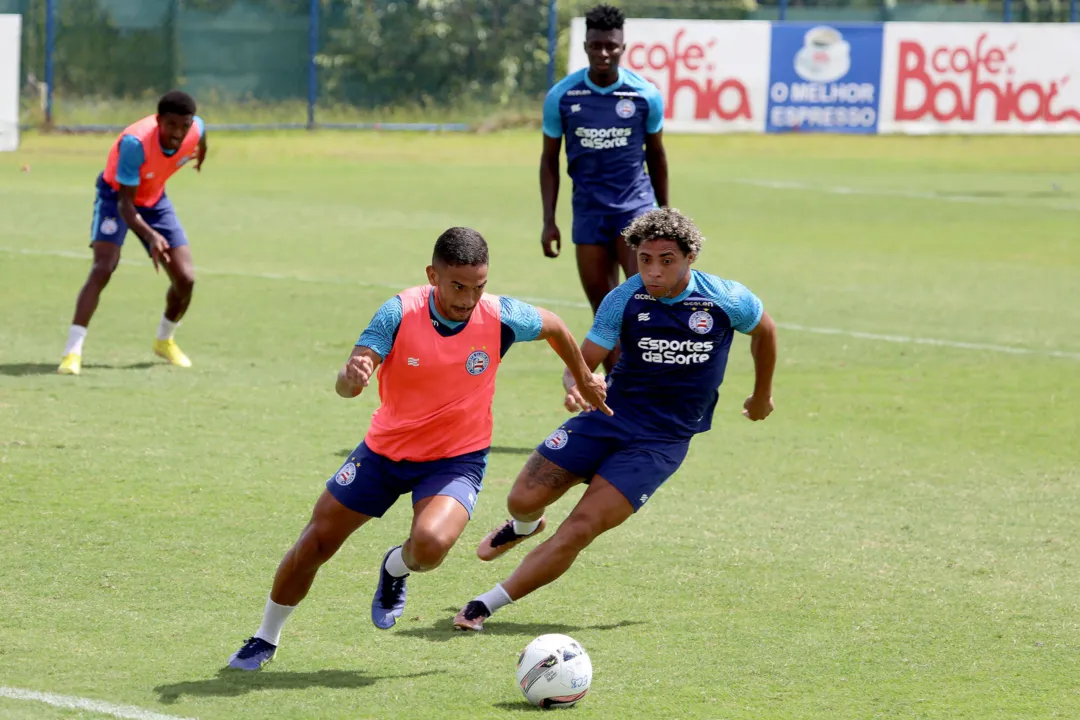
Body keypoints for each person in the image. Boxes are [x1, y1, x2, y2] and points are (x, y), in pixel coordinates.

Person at [228, 227, 610, 671]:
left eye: (479, 286)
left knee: (429, 547)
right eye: (458, 286)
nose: (468, 298)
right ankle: (265, 637)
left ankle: (395, 568)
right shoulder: (398, 312)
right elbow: (350, 381)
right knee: (315, 544)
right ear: (433, 275)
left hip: (455, 459)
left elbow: (554, 325)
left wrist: (583, 376)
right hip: (383, 453)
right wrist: (352, 377)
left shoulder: (501, 315)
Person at [453, 208, 778, 631]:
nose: (654, 271)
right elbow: (582, 362)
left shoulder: (726, 299)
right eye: (645, 259)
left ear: (690, 257)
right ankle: (523, 526)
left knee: (579, 528)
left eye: (667, 260)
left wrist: (761, 394)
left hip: (661, 442)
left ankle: (486, 604)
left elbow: (766, 331)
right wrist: (576, 385)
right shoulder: (624, 299)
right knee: (522, 499)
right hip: (607, 416)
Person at [540, 3, 668, 370]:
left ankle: (646, 389)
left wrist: (664, 214)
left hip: (634, 211)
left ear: (623, 47)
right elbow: (549, 161)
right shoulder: (563, 97)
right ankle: (616, 395)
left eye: (611, 46)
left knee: (640, 304)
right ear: (585, 46)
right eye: (596, 46)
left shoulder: (644, 95)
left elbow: (657, 156)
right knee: (604, 315)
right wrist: (549, 220)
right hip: (589, 214)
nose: (604, 53)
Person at [57, 90, 208, 375]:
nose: (178, 133)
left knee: (185, 279)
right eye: (171, 125)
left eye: (183, 126)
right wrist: (150, 236)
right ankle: (71, 352)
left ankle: (165, 340)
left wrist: (201, 155)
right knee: (104, 266)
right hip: (117, 197)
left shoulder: (195, 129)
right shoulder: (135, 144)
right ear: (158, 120)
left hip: (154, 199)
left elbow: (201, 134)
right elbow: (126, 205)